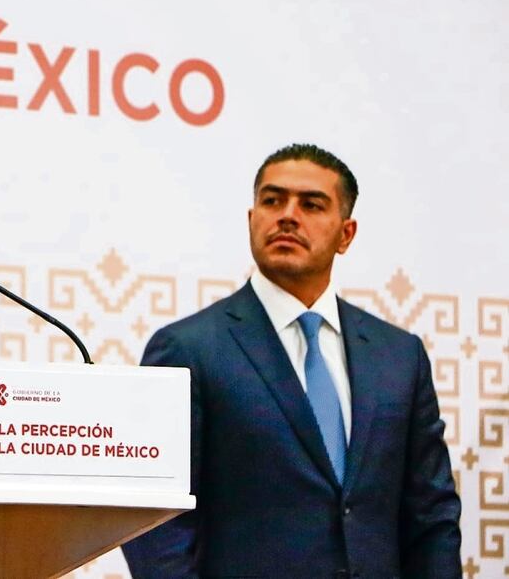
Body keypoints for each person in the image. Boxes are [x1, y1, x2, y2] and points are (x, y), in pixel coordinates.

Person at [122, 144, 461, 578]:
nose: (287, 215)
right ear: (250, 220)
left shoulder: (399, 356)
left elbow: (431, 515)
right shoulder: (188, 350)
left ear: (346, 234)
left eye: (312, 205)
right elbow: (157, 524)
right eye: (272, 200)